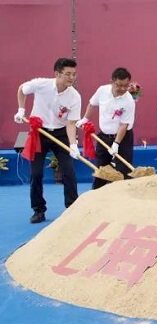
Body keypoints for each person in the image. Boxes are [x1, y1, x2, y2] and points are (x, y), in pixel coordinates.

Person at [14, 57, 81, 224]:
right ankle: (38, 210)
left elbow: (71, 123)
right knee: (36, 174)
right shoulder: (41, 84)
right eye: (67, 74)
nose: (71, 78)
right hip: (40, 133)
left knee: (69, 172)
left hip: (61, 133)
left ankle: (72, 208)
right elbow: (22, 89)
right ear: (57, 74)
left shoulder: (75, 96)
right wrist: (21, 110)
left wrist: (73, 144)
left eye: (74, 74)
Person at [77, 67, 136, 189]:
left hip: (123, 138)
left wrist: (116, 143)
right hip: (103, 137)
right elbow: (92, 104)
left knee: (123, 171)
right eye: (119, 85)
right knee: (101, 170)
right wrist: (85, 119)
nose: (123, 89)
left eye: (126, 86)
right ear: (112, 81)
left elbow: (124, 125)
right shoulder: (102, 91)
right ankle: (97, 196)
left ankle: (125, 199)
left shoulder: (129, 100)